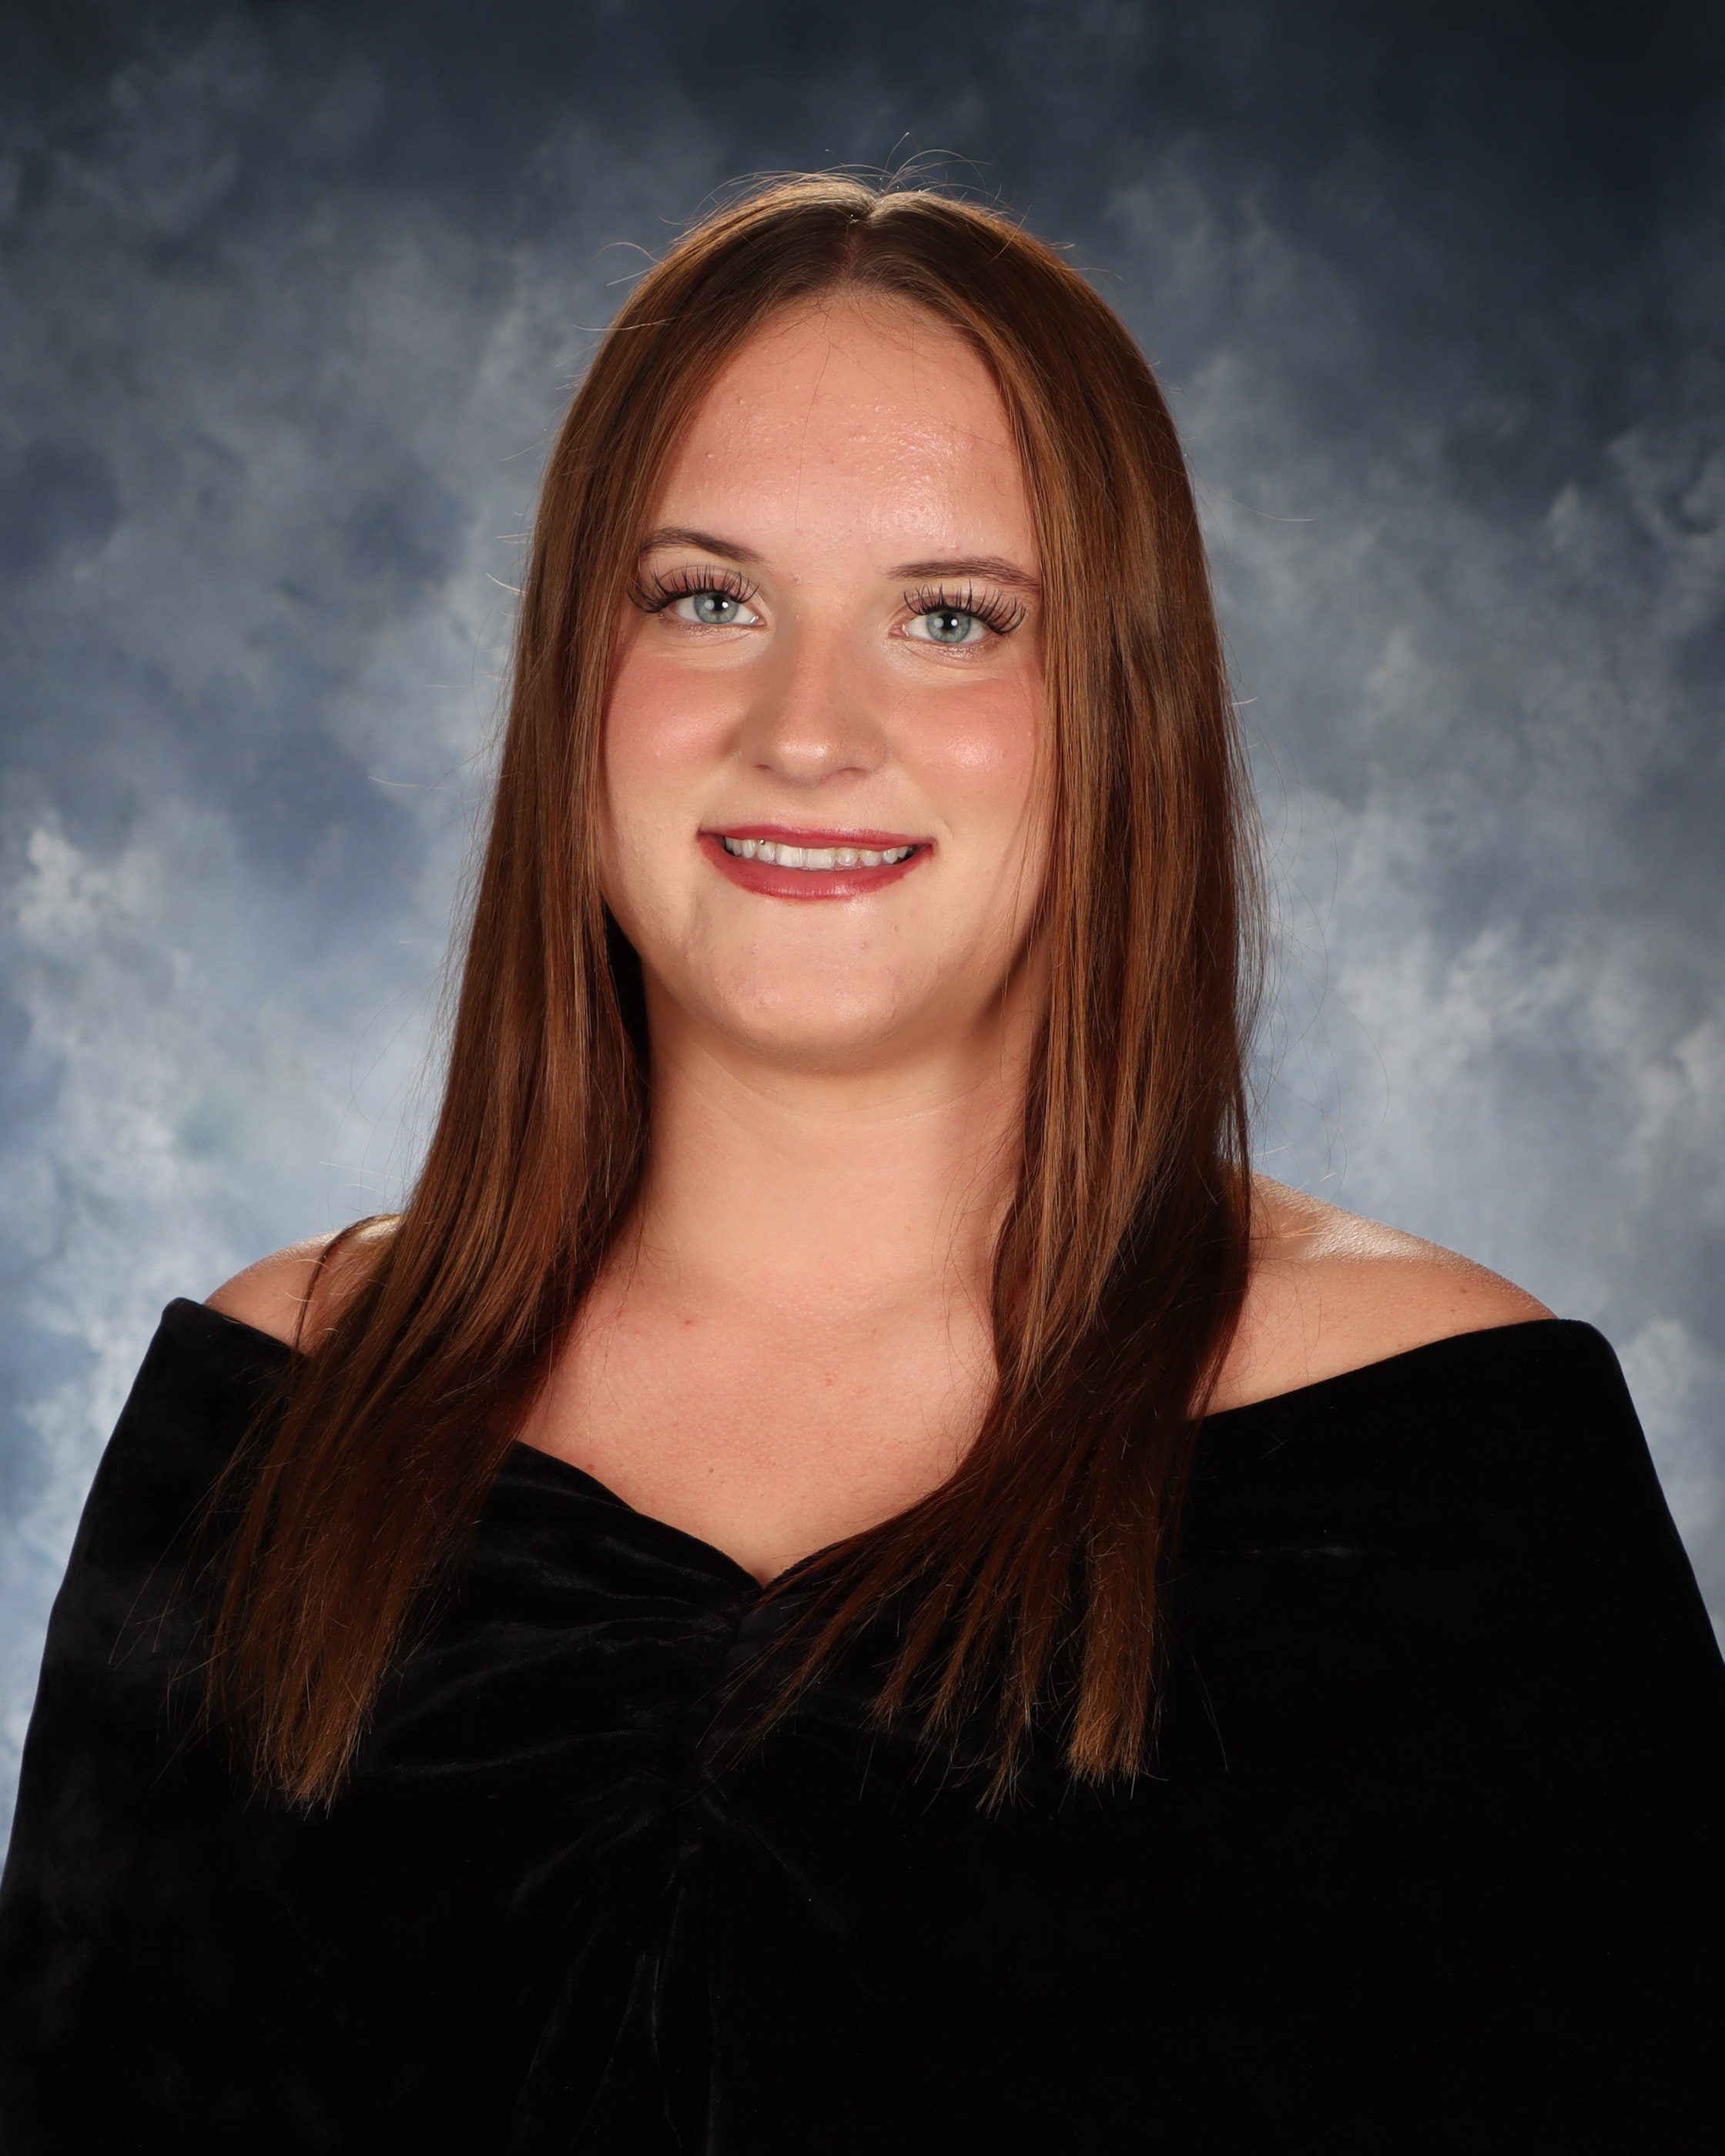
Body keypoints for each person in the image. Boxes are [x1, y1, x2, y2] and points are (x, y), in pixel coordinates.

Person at [1, 176, 1720, 2154]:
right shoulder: (283, 1411)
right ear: (575, 681)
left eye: (952, 618)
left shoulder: (1448, 1454)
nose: (806, 728)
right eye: (706, 598)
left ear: (1123, 711)